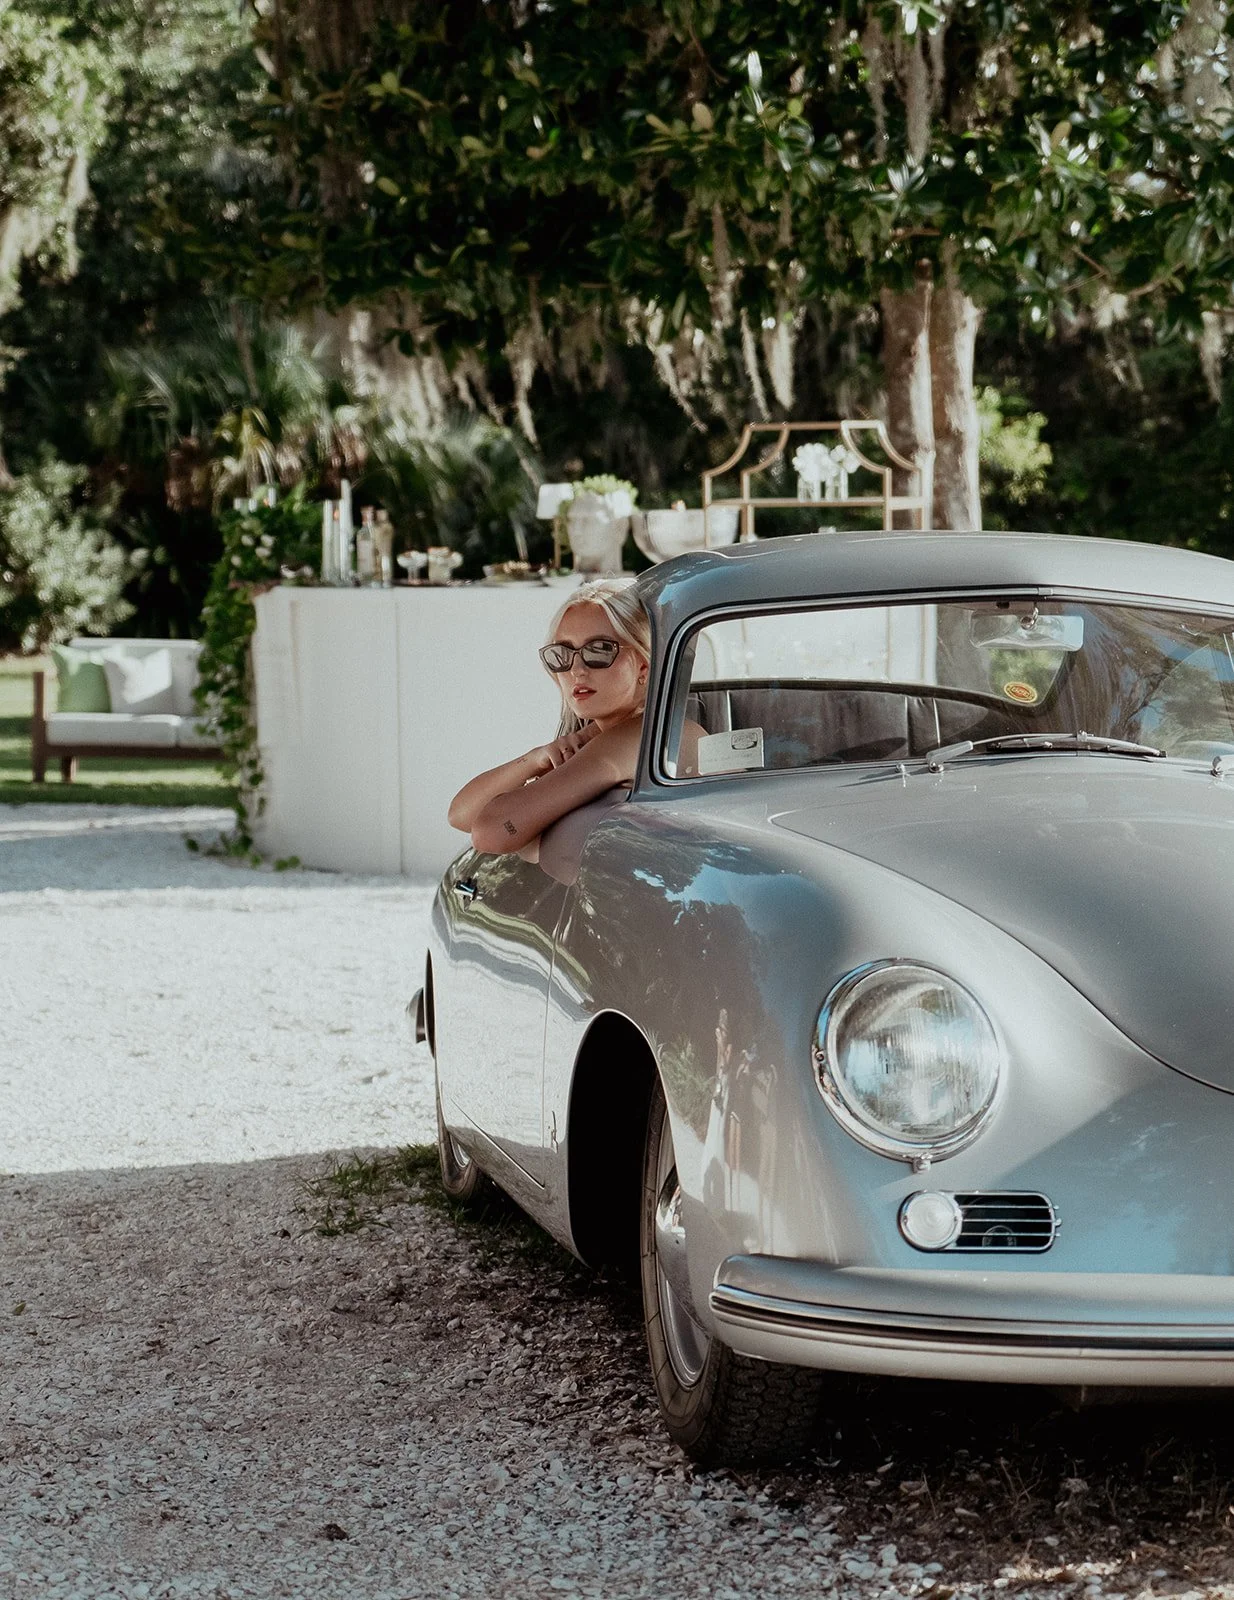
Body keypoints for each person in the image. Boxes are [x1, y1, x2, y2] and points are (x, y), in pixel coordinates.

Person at [448, 578, 654, 856]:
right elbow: (460, 815)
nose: (577, 669)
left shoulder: (636, 736)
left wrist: (536, 837)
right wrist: (535, 760)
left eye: (600, 650)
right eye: (563, 653)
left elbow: (490, 832)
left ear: (643, 664)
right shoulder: (599, 737)